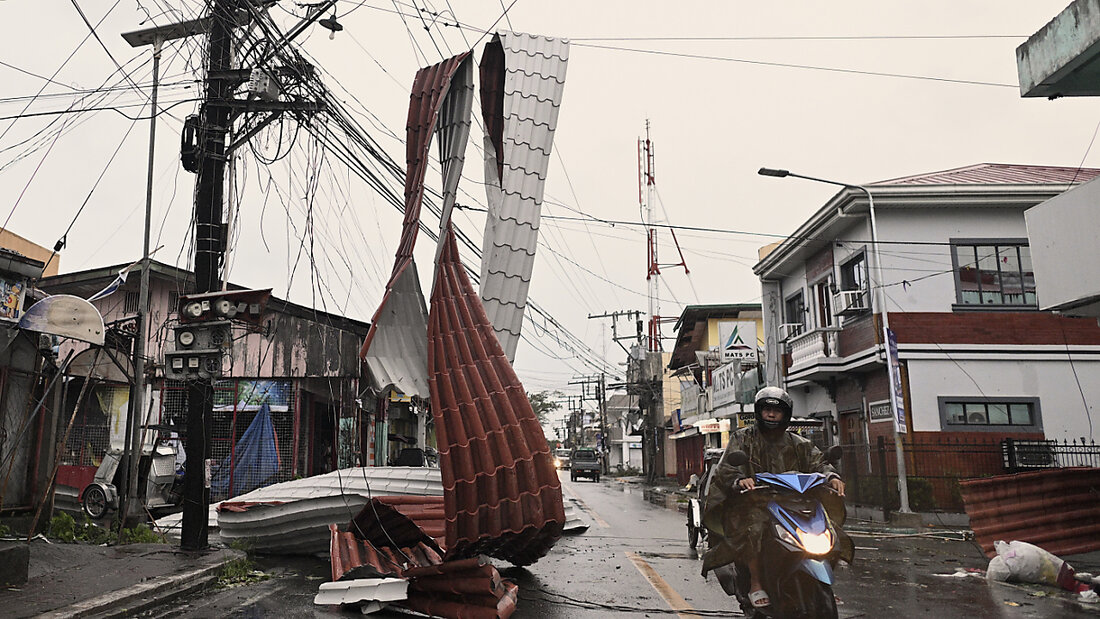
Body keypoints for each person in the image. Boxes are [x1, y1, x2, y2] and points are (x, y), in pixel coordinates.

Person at [700, 386, 849, 609]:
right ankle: (755, 582)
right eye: (767, 410)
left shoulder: (799, 444)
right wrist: (740, 480)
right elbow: (726, 468)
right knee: (754, 527)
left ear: (785, 415)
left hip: (794, 504)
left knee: (829, 530)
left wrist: (832, 477)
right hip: (755, 502)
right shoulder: (743, 438)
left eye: (776, 411)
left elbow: (820, 463)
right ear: (759, 412)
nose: (771, 415)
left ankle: (822, 581)